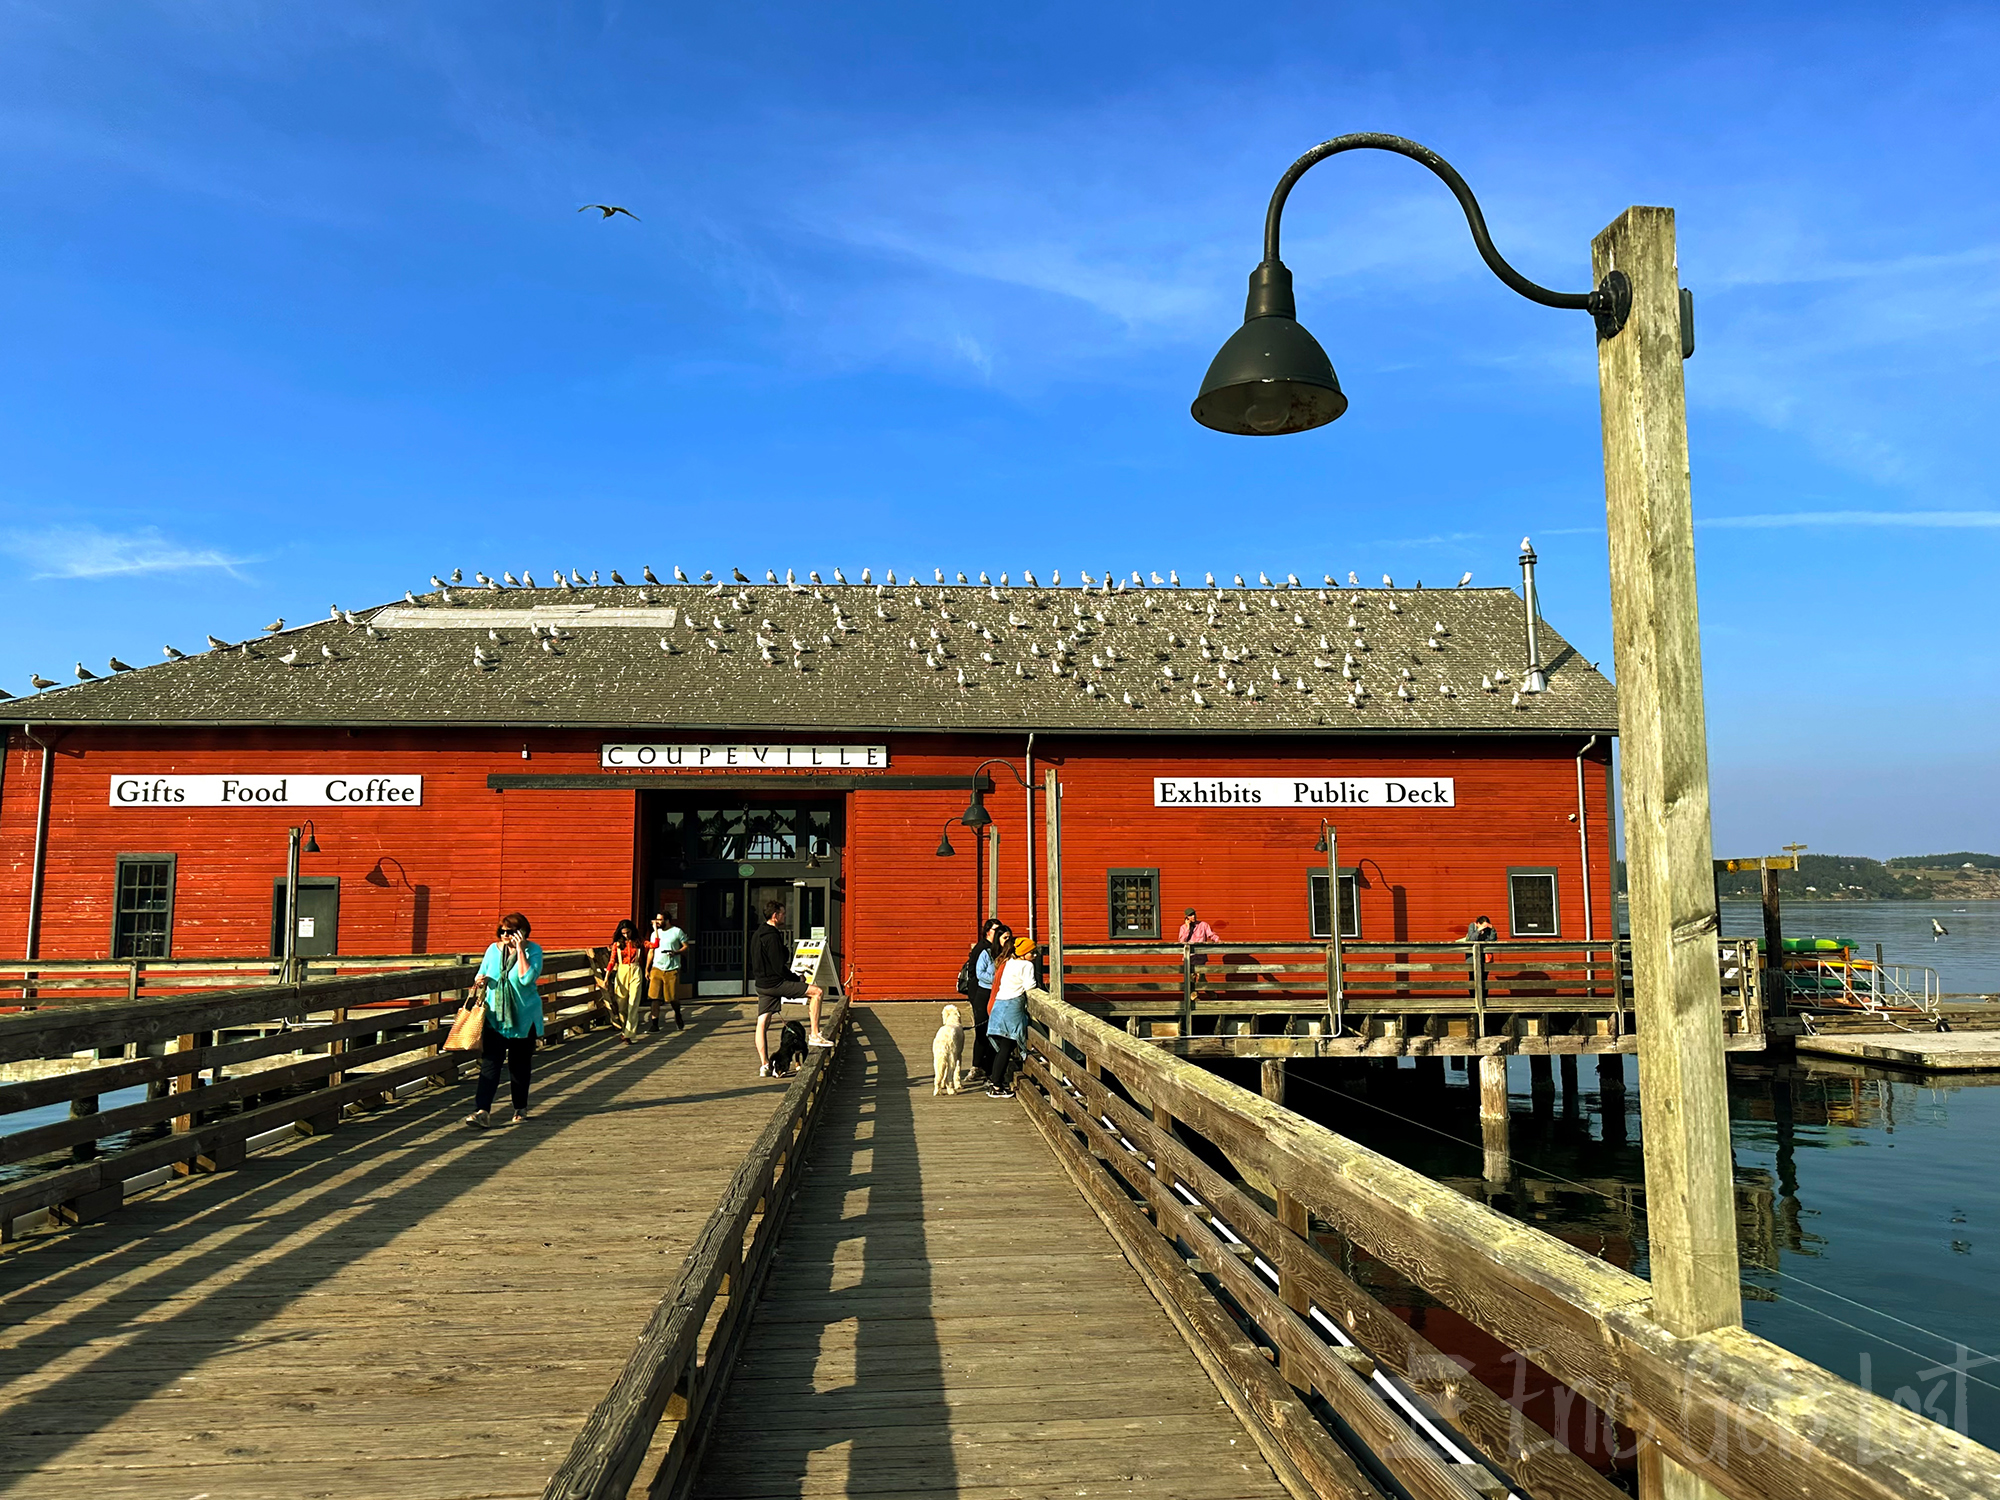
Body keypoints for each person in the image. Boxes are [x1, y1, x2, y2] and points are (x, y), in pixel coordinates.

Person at [466, 912, 544, 1128]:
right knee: (490, 1064)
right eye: (502, 931)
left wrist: (520, 951)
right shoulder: (492, 949)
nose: (505, 935)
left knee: (519, 1066)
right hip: (495, 1016)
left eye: (510, 932)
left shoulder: (533, 950)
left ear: (523, 932)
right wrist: (480, 980)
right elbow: (481, 973)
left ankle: (520, 1107)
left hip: (523, 1017)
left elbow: (527, 978)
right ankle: (482, 1111)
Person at [750, 898, 829, 1076]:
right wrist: (797, 979)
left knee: (762, 1022)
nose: (785, 916)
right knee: (817, 992)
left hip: (761, 984)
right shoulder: (771, 936)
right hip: (776, 983)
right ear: (775, 915)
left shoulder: (757, 934)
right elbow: (779, 967)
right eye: (783, 913)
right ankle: (815, 1034)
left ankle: (764, 1065)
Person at [985, 933, 1046, 1100]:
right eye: (1032, 953)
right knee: (1008, 1045)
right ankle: (996, 1085)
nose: (1034, 956)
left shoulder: (1009, 962)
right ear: (1023, 953)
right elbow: (1030, 986)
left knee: (1003, 1046)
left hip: (999, 1005)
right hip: (1012, 1007)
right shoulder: (1026, 966)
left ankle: (995, 1080)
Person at [958, 920, 1001, 1084]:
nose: (997, 933)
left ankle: (984, 1066)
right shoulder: (983, 949)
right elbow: (978, 973)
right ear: (988, 932)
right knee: (983, 1031)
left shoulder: (992, 948)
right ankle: (978, 1067)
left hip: (985, 993)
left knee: (987, 1031)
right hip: (980, 993)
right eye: (995, 930)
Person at [645, 911, 688, 1031]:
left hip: (671, 968)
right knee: (654, 997)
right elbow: (651, 951)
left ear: (667, 920)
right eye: (656, 920)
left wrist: (676, 952)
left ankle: (677, 1014)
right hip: (657, 967)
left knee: (672, 997)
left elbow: (685, 946)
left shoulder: (676, 931)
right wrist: (647, 968)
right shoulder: (654, 934)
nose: (657, 922)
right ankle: (654, 1024)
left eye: (660, 920)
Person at [606, 919, 647, 1044]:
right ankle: (625, 1030)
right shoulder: (617, 945)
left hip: (635, 970)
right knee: (622, 1004)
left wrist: (655, 930)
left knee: (633, 1001)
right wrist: (606, 978)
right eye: (623, 933)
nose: (626, 935)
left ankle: (629, 1033)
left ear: (632, 931)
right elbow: (612, 961)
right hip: (622, 972)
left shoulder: (638, 942)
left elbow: (654, 945)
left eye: (628, 932)